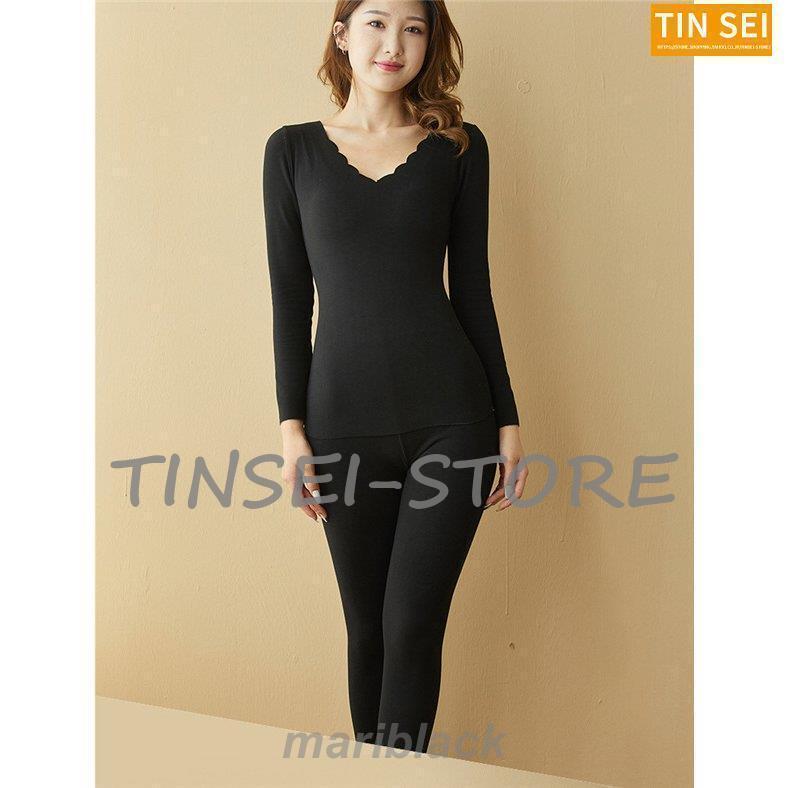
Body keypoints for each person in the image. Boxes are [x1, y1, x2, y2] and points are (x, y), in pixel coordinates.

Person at [262, 0, 528, 753]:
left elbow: (472, 288)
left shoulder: (458, 148)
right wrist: (291, 429)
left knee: (413, 624)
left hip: (453, 419)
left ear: (429, 44)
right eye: (376, 23)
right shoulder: (291, 151)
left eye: (414, 28)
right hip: (341, 425)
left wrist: (507, 418)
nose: (394, 43)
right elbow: (290, 299)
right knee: (368, 629)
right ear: (343, 34)